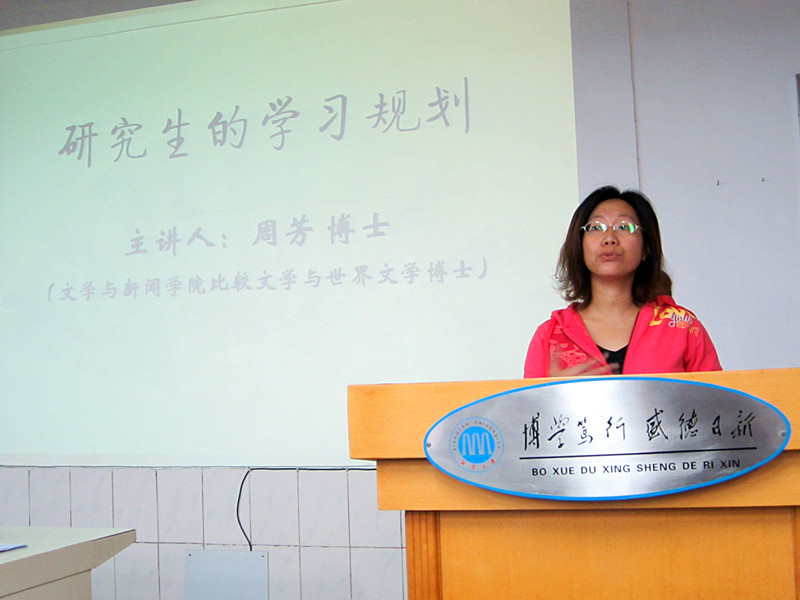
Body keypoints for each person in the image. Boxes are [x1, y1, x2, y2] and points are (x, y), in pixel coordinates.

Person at [524, 185, 721, 378]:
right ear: (580, 245)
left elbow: (718, 397)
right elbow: (528, 400)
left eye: (624, 227)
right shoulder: (549, 336)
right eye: (596, 227)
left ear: (646, 248)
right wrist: (555, 392)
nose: (609, 238)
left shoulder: (682, 327)